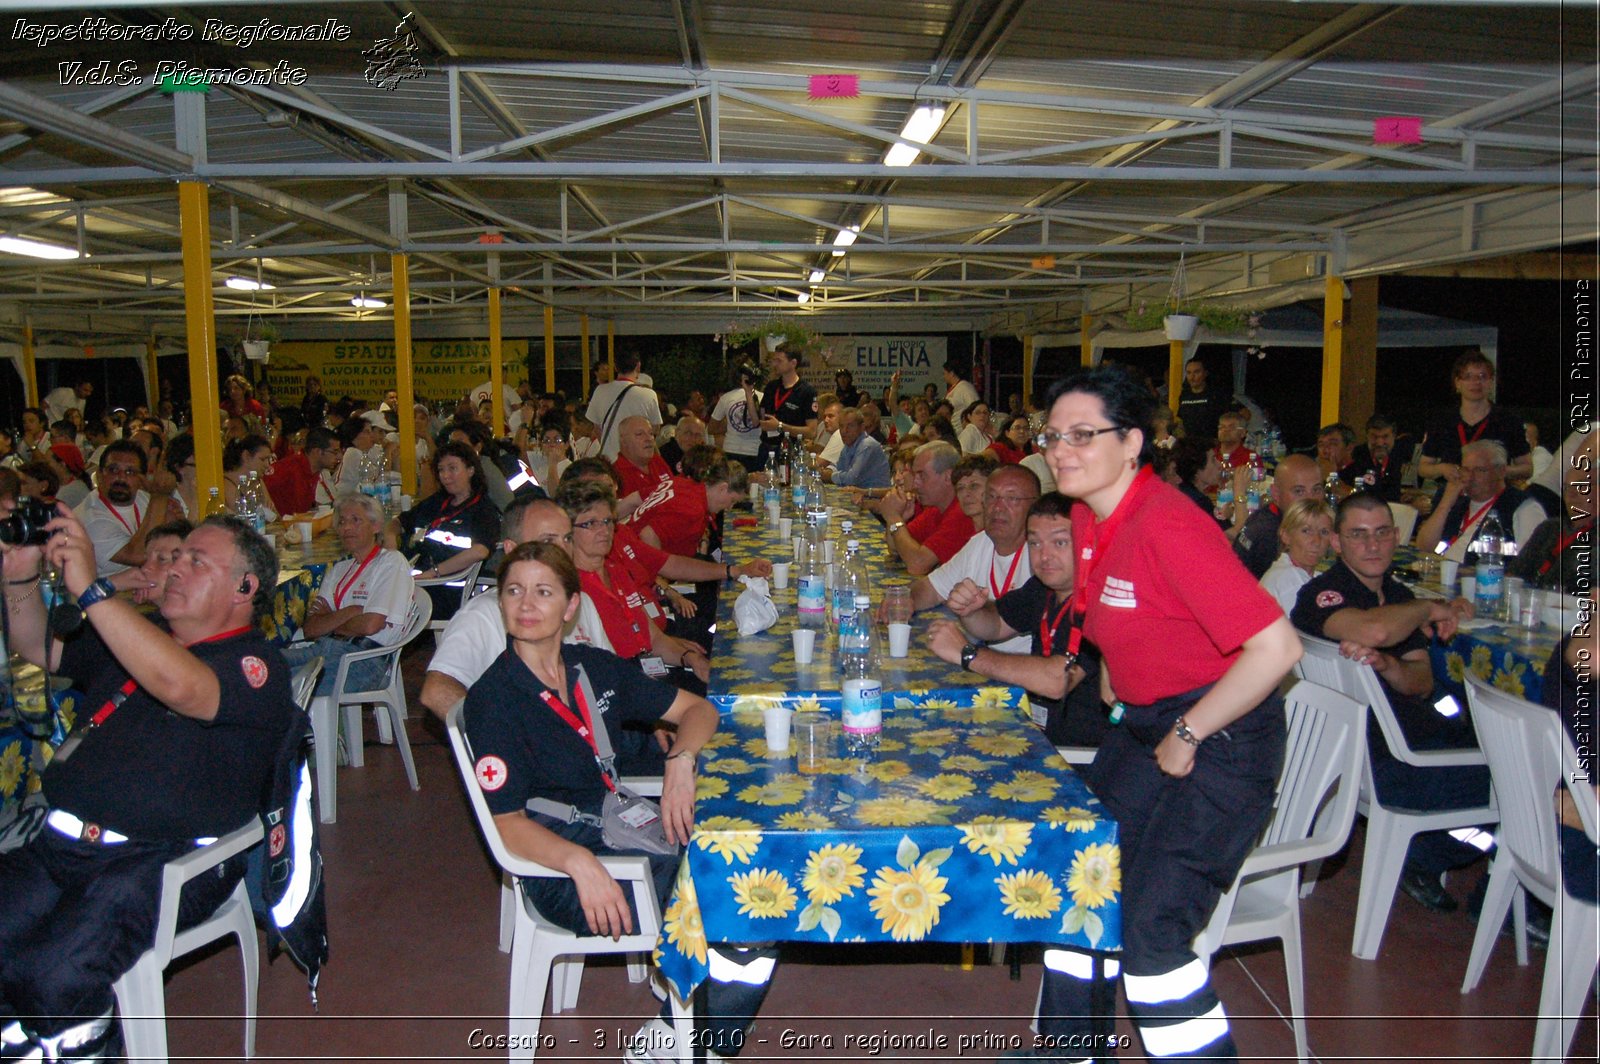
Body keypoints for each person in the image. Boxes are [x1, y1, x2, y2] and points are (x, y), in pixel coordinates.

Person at [1020, 363, 1301, 1062]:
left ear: (1133, 442)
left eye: (1084, 435)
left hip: (1221, 738)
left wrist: (1189, 728)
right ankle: (1072, 1052)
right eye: (1053, 435)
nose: (1062, 450)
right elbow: (1114, 602)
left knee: (1151, 939)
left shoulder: (1171, 524)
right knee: (1080, 879)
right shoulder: (1087, 515)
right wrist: (1116, 663)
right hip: (1146, 727)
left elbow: (1277, 648)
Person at [462, 541, 774, 1062]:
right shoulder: (494, 701)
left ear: (570, 606)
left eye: (543, 592)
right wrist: (580, 864)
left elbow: (700, 711)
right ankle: (690, 1039)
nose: (525, 605)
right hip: (560, 869)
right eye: (513, 591)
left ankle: (683, 1022)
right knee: (739, 899)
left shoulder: (589, 668)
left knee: (755, 877)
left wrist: (681, 760)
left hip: (619, 828)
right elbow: (508, 825)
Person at [0, 511, 291, 1061]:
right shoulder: (142, 634)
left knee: (52, 976)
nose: (176, 567)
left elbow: (180, 685)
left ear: (244, 587)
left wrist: (90, 589)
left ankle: (83, 1044)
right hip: (61, 844)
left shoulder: (254, 664)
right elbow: (39, 646)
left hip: (158, 862)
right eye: (175, 557)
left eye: (196, 560)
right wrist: (18, 578)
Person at [1291, 493, 1489, 915]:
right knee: (1517, 782)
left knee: (1490, 744)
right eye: (1358, 535)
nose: (1373, 545)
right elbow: (1376, 631)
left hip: (1402, 742)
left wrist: (1387, 667)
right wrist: (1428, 607)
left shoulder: (1397, 596)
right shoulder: (1322, 594)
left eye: (1382, 533)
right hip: (1383, 761)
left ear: (1396, 537)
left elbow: (1420, 680)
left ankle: (1442, 854)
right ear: (1338, 544)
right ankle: (1458, 870)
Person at [929, 491, 1108, 747]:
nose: (1044, 556)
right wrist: (971, 610)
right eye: (1035, 543)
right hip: (1035, 732)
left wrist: (968, 654)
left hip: (1078, 755)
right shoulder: (1043, 587)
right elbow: (996, 624)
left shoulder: (1101, 599)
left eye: (1059, 543)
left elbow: (1059, 679)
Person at [558, 479, 711, 686]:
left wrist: (688, 657)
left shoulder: (617, 572)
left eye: (607, 521)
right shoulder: (570, 589)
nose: (604, 530)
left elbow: (654, 639)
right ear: (568, 531)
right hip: (621, 683)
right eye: (591, 523)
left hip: (649, 669)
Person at [283, 493, 416, 697]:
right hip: (325, 647)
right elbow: (311, 629)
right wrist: (353, 611)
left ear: (376, 526)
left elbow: (371, 624)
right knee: (261, 665)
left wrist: (332, 620)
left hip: (364, 658)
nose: (346, 528)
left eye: (356, 520)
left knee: (283, 690)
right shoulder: (338, 569)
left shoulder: (390, 562)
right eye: (342, 522)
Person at [906, 465, 1040, 654]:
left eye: (1012, 499)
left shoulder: (1044, 558)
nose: (998, 507)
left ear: (1035, 507)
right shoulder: (980, 543)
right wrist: (904, 600)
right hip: (985, 661)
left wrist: (970, 656)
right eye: (991, 497)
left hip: (1020, 671)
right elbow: (930, 589)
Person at [392, 440, 498, 622]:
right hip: (417, 583)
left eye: (452, 468)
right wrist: (390, 544)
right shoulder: (437, 502)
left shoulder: (483, 509)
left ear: (471, 470)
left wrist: (434, 572)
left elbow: (480, 550)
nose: (445, 476)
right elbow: (398, 523)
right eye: (441, 470)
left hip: (446, 591)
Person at [1414, 439, 1546, 562]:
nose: (1470, 477)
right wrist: (1445, 503)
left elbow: (1530, 563)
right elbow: (1424, 547)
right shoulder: (1459, 504)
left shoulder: (1523, 507)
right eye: (1466, 470)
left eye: (1479, 470)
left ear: (1501, 472)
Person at [1419, 351, 1533, 487]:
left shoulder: (1509, 421)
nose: (1476, 382)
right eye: (1468, 377)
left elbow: (1527, 468)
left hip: (1493, 495)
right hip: (1452, 496)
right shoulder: (1441, 421)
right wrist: (1442, 468)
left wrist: (1498, 471)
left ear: (1491, 382)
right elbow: (1423, 468)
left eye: (1482, 376)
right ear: (1457, 383)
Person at [73, 439, 177, 578]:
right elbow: (140, 556)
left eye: (130, 472)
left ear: (142, 478)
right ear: (99, 475)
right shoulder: (89, 517)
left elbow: (175, 538)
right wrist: (159, 497)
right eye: (113, 470)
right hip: (107, 595)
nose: (121, 478)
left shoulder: (143, 497)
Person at [1510, 428, 1597, 594]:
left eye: (1581, 486)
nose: (1571, 494)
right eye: (1566, 488)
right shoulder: (1549, 529)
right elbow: (1513, 577)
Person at [879, 442, 978, 577]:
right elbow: (895, 548)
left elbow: (917, 565)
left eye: (922, 475)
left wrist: (894, 518)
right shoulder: (936, 509)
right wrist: (899, 519)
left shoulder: (963, 513)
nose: (915, 483)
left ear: (948, 477)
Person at [627, 452, 748, 557]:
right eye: (732, 501)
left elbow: (635, 498)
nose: (729, 507)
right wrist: (659, 577)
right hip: (637, 562)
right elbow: (647, 535)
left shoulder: (683, 483)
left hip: (628, 546)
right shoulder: (692, 508)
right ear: (723, 488)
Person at [1233, 453, 1323, 578]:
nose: (1310, 499)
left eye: (1316, 490)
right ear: (1276, 493)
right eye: (1299, 491)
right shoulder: (1270, 535)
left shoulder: (1268, 513)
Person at [1258, 498, 1334, 613]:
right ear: (1286, 536)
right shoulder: (1290, 581)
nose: (1317, 540)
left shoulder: (1310, 576)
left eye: (1324, 532)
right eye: (1306, 531)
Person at [585, 350, 661, 460]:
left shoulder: (600, 391)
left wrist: (610, 447)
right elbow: (655, 429)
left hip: (610, 461)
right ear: (638, 366)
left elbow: (597, 429)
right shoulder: (649, 394)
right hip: (637, 460)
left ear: (615, 367)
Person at [755, 345, 817, 466]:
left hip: (791, 451)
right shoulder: (771, 387)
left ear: (793, 363)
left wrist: (780, 426)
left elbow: (811, 432)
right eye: (774, 360)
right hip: (766, 449)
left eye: (779, 361)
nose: (774, 364)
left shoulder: (806, 391)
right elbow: (760, 418)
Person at [612, 415, 674, 518]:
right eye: (639, 434)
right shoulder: (615, 474)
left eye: (651, 434)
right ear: (623, 441)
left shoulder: (657, 461)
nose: (649, 439)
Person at [709, 368, 764, 472]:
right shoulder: (762, 397)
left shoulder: (726, 398)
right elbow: (765, 425)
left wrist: (730, 425)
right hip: (755, 450)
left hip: (731, 449)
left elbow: (711, 428)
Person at [823, 408, 891, 489]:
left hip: (875, 497)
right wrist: (826, 471)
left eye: (850, 426)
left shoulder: (867, 445)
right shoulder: (849, 445)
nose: (844, 431)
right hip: (858, 495)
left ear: (862, 427)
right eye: (841, 426)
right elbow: (838, 467)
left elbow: (852, 478)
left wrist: (830, 476)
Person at [1346, 414, 1407, 502]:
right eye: (1374, 437)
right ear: (1367, 436)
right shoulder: (1355, 456)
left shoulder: (1402, 455)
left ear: (1394, 436)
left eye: (1385, 437)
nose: (1379, 443)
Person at [223, 434, 280, 521]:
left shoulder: (258, 481)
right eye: (262, 459)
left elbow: (275, 517)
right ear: (246, 456)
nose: (267, 465)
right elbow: (241, 521)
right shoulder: (227, 484)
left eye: (268, 460)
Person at [1175, 357, 1231, 442]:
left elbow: (1236, 416)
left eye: (1196, 372)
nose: (1192, 377)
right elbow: (1181, 420)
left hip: (1212, 443)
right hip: (1190, 445)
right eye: (1189, 373)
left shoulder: (1216, 394)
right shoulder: (1184, 395)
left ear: (1205, 373)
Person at [1316, 423, 1358, 493]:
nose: (1325, 450)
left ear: (1349, 447)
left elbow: (1358, 500)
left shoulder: (1360, 471)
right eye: (1321, 445)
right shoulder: (1315, 471)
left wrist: (1331, 476)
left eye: (1332, 444)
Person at [941, 360, 979, 425]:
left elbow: (975, 409)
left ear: (952, 373)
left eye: (944, 373)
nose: (943, 377)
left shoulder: (965, 388)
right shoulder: (954, 389)